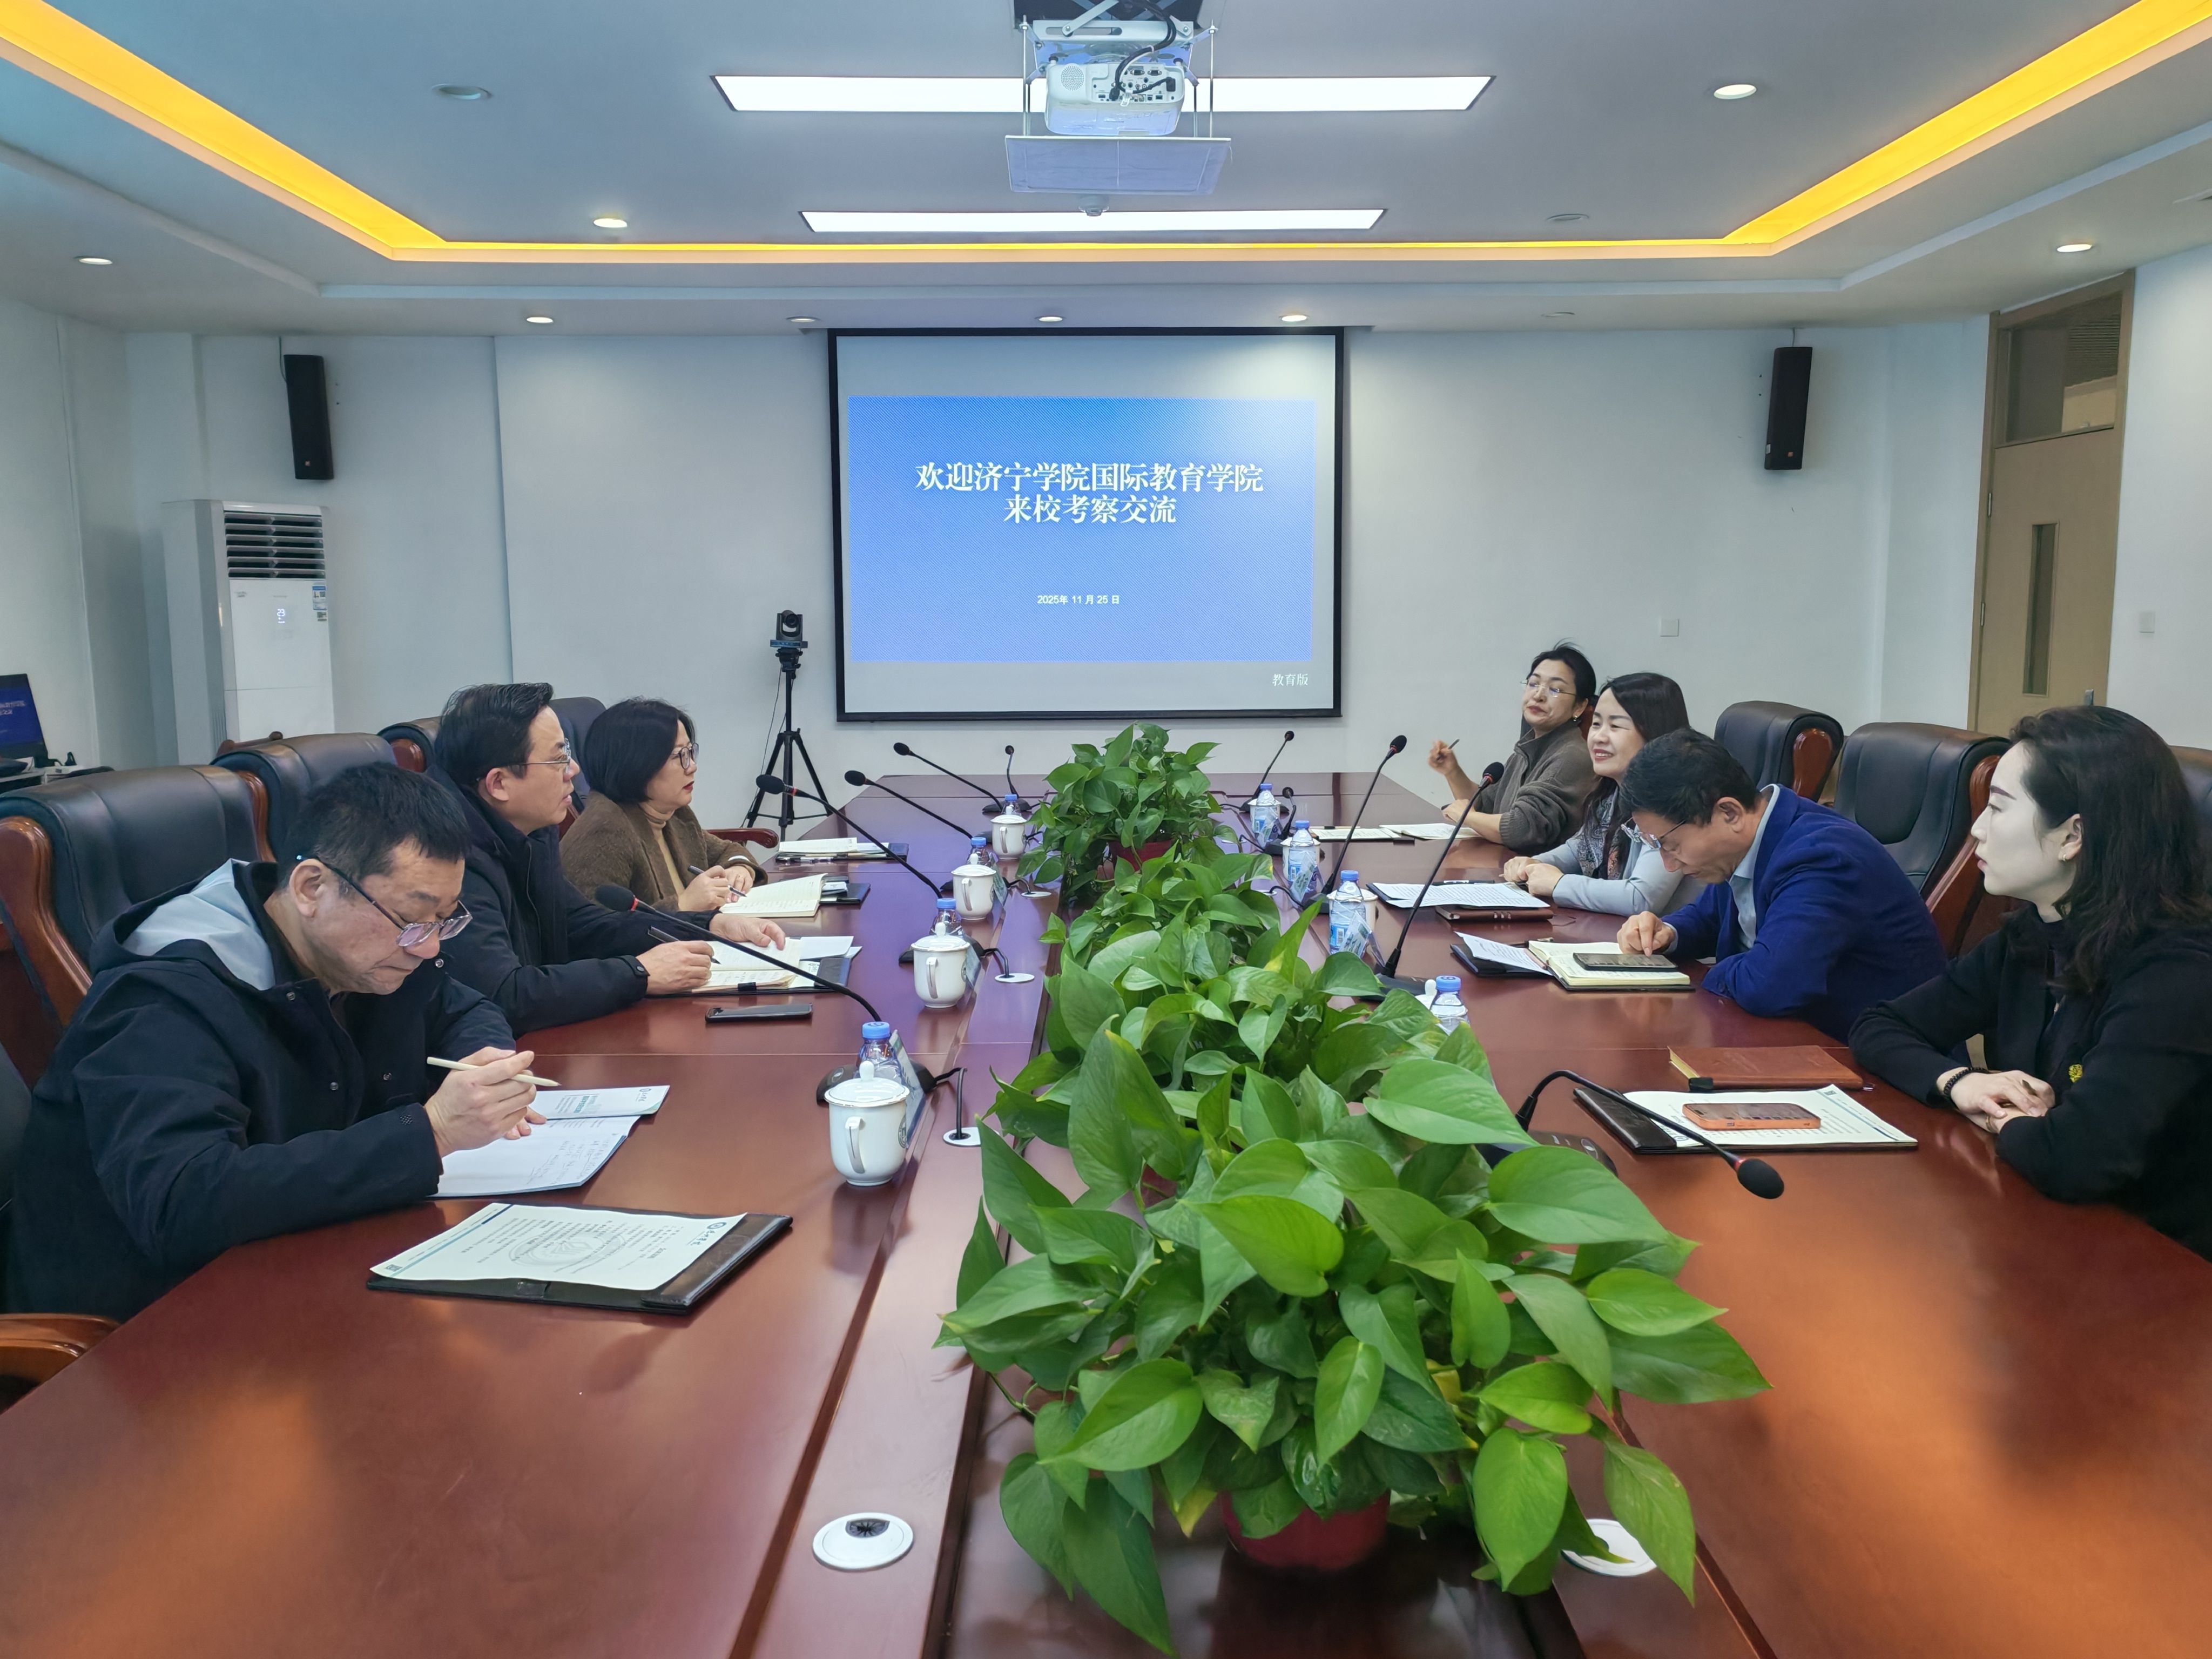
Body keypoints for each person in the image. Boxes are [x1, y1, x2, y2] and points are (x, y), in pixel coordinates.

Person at [6, 766, 544, 1322]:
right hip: (149, 1324)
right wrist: (431, 1133)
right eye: (412, 919)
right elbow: (183, 1202)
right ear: (312, 888)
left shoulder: (361, 952)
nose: (428, 948)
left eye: (443, 920)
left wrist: (484, 1064)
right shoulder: (163, 998)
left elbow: (462, 1007)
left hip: (300, 1263)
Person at [1851, 708, 2212, 1257]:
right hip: (2049, 1228)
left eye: (1998, 808)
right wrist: (1961, 1083)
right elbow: (1880, 1026)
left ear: (2072, 835)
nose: (1976, 829)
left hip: (2160, 1263)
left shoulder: (2176, 972)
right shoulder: (2034, 934)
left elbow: (2077, 1157)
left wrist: (2005, 1121)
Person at [433, 683, 785, 1035]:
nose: (573, 769)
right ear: (498, 784)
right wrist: (639, 974)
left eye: (568, 752)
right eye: (557, 759)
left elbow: (584, 924)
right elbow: (505, 994)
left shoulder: (532, 830)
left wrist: (709, 925)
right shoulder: (451, 859)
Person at [1615, 730, 1945, 1040]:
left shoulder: (1822, 858)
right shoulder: (1751, 842)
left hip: (1868, 1059)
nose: (1669, 864)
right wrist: (1666, 934)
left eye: (1671, 845)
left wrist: (1708, 975)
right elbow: (1710, 918)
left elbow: (1770, 986)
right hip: (1796, 1038)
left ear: (1729, 813)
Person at [1501, 671, 1698, 916]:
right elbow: (1578, 850)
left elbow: (1640, 898)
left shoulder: (1672, 800)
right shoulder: (1613, 791)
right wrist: (1535, 865)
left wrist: (1559, 884)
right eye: (1596, 724)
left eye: (1615, 726)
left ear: (1655, 734)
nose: (1598, 737)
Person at [561, 698, 766, 912]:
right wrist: (682, 906)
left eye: (690, 752)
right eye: (679, 756)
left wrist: (739, 868)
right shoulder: (605, 832)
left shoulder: (673, 814)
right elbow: (598, 927)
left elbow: (728, 850)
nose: (692, 766)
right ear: (637, 764)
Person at [1427, 644, 1599, 854]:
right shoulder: (1528, 750)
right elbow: (1486, 806)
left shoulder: (1572, 756)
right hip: (1507, 865)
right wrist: (1452, 772)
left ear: (1580, 707)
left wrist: (1467, 817)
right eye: (1534, 684)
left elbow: (1521, 829)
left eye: (1555, 689)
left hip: (1539, 871)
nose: (1539, 695)